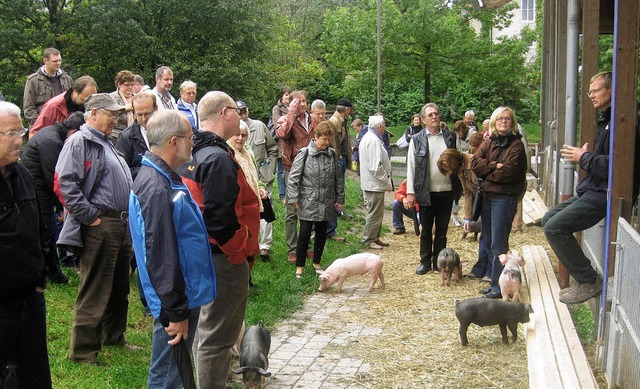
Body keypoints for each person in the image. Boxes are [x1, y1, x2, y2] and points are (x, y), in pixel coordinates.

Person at [128, 110, 216, 388]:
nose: (194, 143)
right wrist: (175, 312)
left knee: (177, 371)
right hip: (175, 300)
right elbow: (159, 254)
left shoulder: (165, 178)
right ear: (174, 141)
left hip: (181, 294)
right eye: (190, 138)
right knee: (167, 375)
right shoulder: (156, 188)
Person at [177, 91, 259, 388]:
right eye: (237, 110)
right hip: (223, 257)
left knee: (208, 334)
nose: (241, 116)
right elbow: (220, 220)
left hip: (204, 253)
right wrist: (240, 252)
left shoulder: (194, 152)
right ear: (225, 113)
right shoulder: (217, 158)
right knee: (217, 340)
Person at [55, 93, 136, 364]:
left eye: (116, 115)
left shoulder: (106, 142)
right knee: (95, 288)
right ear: (93, 114)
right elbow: (66, 184)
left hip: (120, 224)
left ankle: (113, 336)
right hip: (101, 224)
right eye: (110, 114)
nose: (115, 119)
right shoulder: (79, 141)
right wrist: (92, 217)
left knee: (119, 286)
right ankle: (83, 352)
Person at [541, 71, 618, 304]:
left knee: (555, 227)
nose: (591, 96)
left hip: (604, 193)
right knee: (548, 219)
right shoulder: (607, 119)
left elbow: (615, 166)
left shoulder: (622, 121)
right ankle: (585, 278)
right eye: (589, 91)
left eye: (595, 90)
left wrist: (583, 157)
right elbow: (603, 159)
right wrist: (586, 156)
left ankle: (588, 280)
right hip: (593, 189)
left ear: (611, 90)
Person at [0, 101, 52, 388]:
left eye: (19, 130)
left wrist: (39, 278)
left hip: (30, 298)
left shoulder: (21, 174)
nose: (19, 138)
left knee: (33, 373)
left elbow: (40, 231)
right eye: (11, 132)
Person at [21, 112, 86, 285]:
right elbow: (54, 177)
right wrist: (61, 206)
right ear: (75, 131)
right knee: (47, 231)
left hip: (40, 184)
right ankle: (53, 274)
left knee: (46, 230)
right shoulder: (52, 141)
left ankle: (50, 270)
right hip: (36, 187)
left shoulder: (55, 134)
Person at [471, 106, 527, 299]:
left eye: (508, 119)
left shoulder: (516, 145)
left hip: (504, 198)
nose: (504, 122)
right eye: (500, 119)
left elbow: (509, 173)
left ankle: (498, 287)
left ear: (512, 122)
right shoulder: (488, 142)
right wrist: (495, 165)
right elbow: (474, 164)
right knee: (487, 238)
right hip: (487, 197)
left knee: (498, 242)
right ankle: (494, 281)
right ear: (494, 122)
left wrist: (487, 174)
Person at [406, 103, 460, 274]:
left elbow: (459, 162)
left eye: (436, 114)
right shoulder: (417, 139)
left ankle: (439, 261)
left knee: (442, 230)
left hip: (446, 190)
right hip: (426, 192)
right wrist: (410, 192)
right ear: (423, 119)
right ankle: (425, 261)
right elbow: (411, 167)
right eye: (430, 115)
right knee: (426, 230)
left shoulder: (450, 137)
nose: (434, 117)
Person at [288, 121, 344, 278]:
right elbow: (293, 178)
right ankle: (300, 266)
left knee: (321, 232)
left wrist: (339, 198)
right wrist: (293, 198)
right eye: (323, 139)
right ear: (315, 137)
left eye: (329, 140)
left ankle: (317, 262)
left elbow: (338, 178)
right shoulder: (304, 153)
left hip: (326, 200)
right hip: (308, 200)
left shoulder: (332, 154)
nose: (326, 143)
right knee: (304, 233)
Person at [275, 90, 320, 263]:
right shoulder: (285, 119)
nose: (302, 104)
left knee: (308, 209)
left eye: (304, 101)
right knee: (292, 209)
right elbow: (282, 134)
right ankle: (293, 248)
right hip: (292, 168)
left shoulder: (313, 119)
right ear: (292, 104)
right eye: (298, 101)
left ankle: (306, 246)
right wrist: (291, 114)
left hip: (311, 168)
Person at [436, 149, 489, 280]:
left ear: (454, 163)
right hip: (481, 200)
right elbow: (468, 193)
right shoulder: (461, 170)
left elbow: (485, 184)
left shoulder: (475, 163)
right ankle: (480, 269)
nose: (451, 172)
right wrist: (467, 218)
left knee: (491, 237)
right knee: (485, 236)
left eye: (449, 168)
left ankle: (491, 271)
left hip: (491, 199)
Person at [237, 100, 278, 261]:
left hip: (263, 175)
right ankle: (250, 244)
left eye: (244, 110)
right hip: (246, 180)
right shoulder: (232, 131)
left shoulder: (260, 126)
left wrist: (271, 167)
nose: (242, 113)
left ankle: (265, 246)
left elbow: (273, 148)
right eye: (239, 111)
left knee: (266, 208)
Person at [226, 120, 263, 286]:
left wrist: (260, 188)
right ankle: (242, 279)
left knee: (253, 243)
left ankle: (248, 277)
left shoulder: (247, 153)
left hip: (253, 205)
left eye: (244, 135)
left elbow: (253, 177)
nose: (240, 138)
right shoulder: (229, 154)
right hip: (240, 207)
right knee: (245, 243)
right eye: (237, 134)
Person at [359, 115, 393, 250]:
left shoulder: (370, 138)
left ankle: (375, 237)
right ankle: (369, 239)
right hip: (374, 184)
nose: (384, 129)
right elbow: (375, 166)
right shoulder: (372, 141)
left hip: (373, 183)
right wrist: (386, 179)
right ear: (379, 126)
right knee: (374, 213)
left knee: (377, 212)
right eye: (383, 126)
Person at [29, 75, 98, 137]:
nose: (87, 103)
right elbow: (34, 133)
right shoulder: (54, 106)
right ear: (75, 92)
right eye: (84, 99)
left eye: (91, 100)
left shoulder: (91, 106)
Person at [23, 47, 73, 126]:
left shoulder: (67, 79)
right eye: (55, 61)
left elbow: (72, 103)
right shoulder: (33, 80)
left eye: (60, 60)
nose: (58, 63)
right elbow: (28, 107)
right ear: (45, 61)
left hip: (63, 124)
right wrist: (38, 124)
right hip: (41, 125)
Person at [115, 92, 158, 181]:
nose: (144, 119)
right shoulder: (126, 137)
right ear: (134, 113)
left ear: (156, 109)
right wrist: (151, 170)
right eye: (139, 115)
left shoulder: (168, 131)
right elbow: (122, 171)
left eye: (147, 114)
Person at [451, 120, 477, 226]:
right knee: (467, 192)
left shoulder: (473, 134)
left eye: (460, 132)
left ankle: (475, 217)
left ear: (464, 130)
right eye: (457, 133)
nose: (459, 134)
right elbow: (458, 151)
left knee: (475, 191)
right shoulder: (457, 137)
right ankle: (467, 218)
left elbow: (476, 151)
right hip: (462, 167)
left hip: (473, 166)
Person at [272, 86, 291, 200]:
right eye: (286, 94)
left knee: (290, 170)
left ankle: (290, 193)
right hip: (281, 143)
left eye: (289, 94)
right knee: (281, 171)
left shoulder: (294, 108)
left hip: (292, 143)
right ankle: (282, 195)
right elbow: (277, 125)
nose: (288, 97)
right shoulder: (276, 108)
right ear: (282, 96)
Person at [109, 70, 136, 141]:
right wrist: (124, 108)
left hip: (133, 135)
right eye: (127, 85)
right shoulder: (111, 97)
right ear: (119, 84)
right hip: (116, 136)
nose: (130, 87)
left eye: (132, 84)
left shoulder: (136, 98)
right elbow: (109, 114)